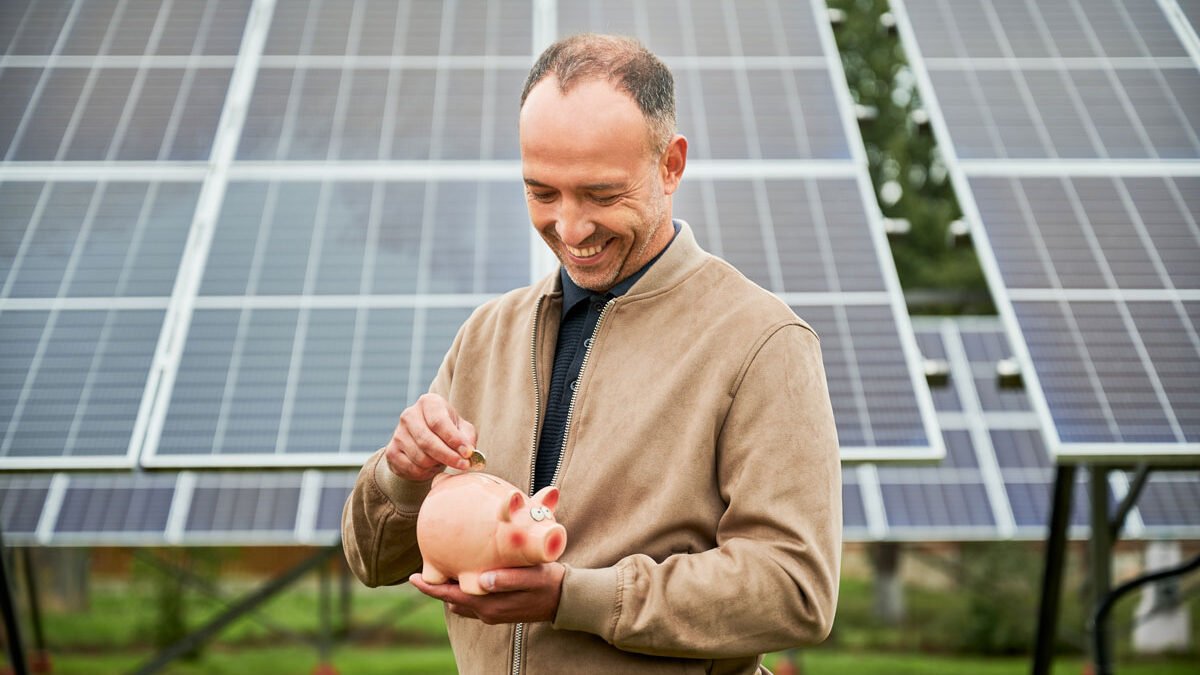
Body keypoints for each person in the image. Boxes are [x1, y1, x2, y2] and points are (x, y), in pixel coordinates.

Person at [342, 33, 841, 674]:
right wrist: (401, 476)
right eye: (542, 193)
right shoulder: (487, 333)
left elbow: (795, 590)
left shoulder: (761, 343)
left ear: (671, 165)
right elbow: (373, 559)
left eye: (602, 195)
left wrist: (572, 598)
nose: (571, 228)